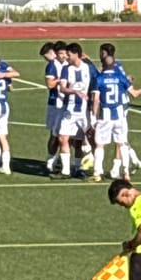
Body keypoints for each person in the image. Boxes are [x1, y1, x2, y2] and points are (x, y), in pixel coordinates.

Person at [91, 44, 141, 182]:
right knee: (122, 143)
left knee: (100, 144)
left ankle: (97, 173)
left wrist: (93, 116)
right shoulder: (120, 77)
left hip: (105, 116)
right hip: (120, 116)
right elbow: (134, 94)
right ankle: (126, 172)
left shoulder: (99, 79)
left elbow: (96, 100)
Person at [55, 42, 96, 179]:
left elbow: (98, 81)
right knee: (63, 137)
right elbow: (62, 88)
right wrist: (74, 91)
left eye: (69, 54)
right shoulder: (66, 69)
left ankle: (86, 169)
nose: (66, 57)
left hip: (85, 111)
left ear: (77, 54)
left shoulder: (88, 68)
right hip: (70, 111)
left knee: (86, 140)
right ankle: (66, 171)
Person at [39, 41, 65, 174]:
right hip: (55, 103)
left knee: (66, 135)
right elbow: (50, 84)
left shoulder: (67, 63)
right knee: (55, 134)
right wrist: (61, 80)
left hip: (67, 103)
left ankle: (61, 159)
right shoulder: (52, 66)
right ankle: (50, 160)